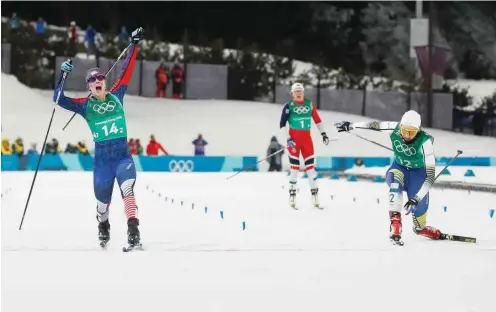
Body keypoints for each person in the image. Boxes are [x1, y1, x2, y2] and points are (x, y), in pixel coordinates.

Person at [53, 27, 144, 249]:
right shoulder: (84, 106)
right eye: (92, 80)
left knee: (128, 190)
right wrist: (63, 75)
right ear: (89, 87)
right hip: (102, 162)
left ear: (104, 81)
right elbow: (58, 99)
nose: (97, 81)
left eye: (100, 77)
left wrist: (133, 44)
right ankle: (103, 226)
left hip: (122, 157)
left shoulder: (117, 94)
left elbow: (126, 69)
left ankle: (134, 231)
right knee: (103, 204)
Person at [335, 110, 448, 246]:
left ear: (418, 130)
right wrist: (351, 125)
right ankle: (395, 223)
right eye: (405, 130)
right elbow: (374, 125)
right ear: (400, 126)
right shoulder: (394, 127)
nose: (407, 135)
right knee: (395, 181)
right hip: (399, 168)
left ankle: (421, 229)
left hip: (418, 175)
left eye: (411, 132)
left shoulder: (425, 143)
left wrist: (416, 199)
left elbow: (430, 177)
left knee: (419, 224)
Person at [279, 82, 330, 209]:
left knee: (311, 170)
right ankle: (292, 197)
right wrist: (288, 139)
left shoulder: (310, 105)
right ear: (292, 93)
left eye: (300, 91)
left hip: (307, 141)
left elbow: (317, 120)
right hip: (293, 142)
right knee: (295, 170)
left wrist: (323, 134)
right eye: (296, 91)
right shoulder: (288, 106)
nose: (298, 93)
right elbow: (282, 124)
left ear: (303, 92)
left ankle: (315, 198)